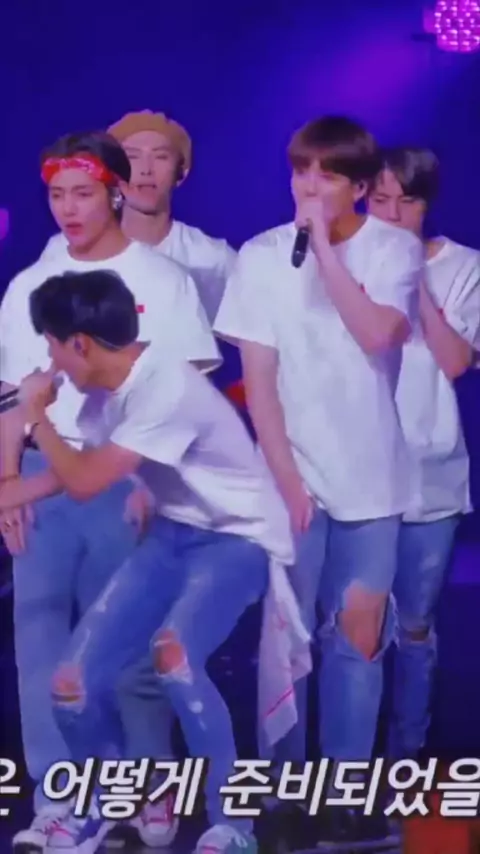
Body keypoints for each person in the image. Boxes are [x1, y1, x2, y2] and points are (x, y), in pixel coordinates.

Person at [0, 268, 303, 854]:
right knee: (71, 685)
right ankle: (102, 807)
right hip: (170, 536)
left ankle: (232, 826)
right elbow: (71, 476)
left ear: (79, 344)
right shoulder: (103, 393)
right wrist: (12, 489)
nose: (50, 361)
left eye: (53, 345)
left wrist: (35, 418)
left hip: (237, 539)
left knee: (174, 657)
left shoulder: (165, 385)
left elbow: (84, 482)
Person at [0, 130, 219, 853]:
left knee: (126, 649)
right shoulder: (28, 285)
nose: (68, 208)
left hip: (128, 476)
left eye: (82, 193)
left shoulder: (163, 280)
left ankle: (145, 787)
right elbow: (11, 397)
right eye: (56, 195)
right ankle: (60, 799)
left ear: (115, 193)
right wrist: (7, 481)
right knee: (40, 643)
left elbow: (188, 395)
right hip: (46, 479)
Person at [214, 115, 424, 847]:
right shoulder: (261, 255)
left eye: (327, 175)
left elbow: (378, 333)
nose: (308, 186)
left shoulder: (393, 249)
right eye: (300, 170)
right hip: (290, 480)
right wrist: (286, 479)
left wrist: (327, 252)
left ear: (359, 188)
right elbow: (259, 381)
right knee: (285, 642)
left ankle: (345, 791)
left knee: (357, 642)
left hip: (372, 479)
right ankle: (281, 792)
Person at [368, 147, 480, 759]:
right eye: (379, 200)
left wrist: (413, 279)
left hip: (430, 474)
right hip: (353, 474)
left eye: (406, 201)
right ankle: (347, 761)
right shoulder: (342, 259)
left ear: (426, 203)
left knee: (415, 626)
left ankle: (405, 757)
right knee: (348, 630)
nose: (391, 214)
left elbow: (457, 360)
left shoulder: (463, 266)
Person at [40, 110, 236, 325]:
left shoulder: (213, 259)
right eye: (132, 157)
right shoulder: (63, 250)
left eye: (160, 156)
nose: (146, 170)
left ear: (182, 172)